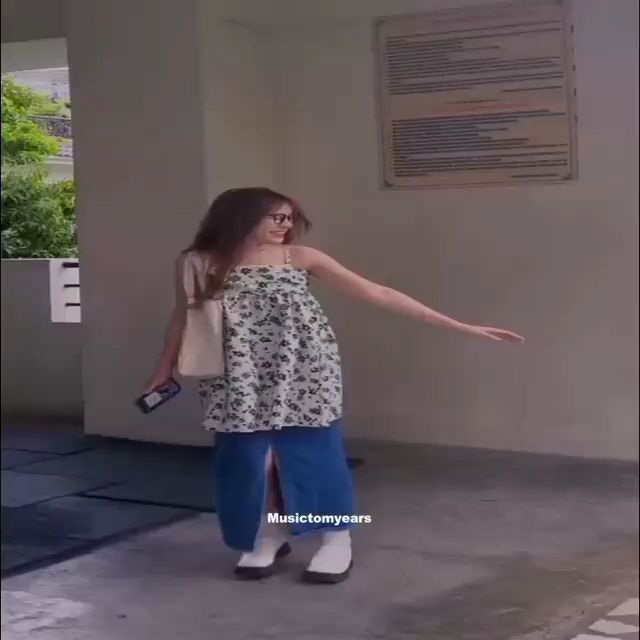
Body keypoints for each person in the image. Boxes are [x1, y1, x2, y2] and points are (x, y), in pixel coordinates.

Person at [143, 187, 524, 584]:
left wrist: (462, 327)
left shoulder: (300, 257)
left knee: (313, 451)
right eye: (277, 217)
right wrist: (163, 370)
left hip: (304, 368)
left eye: (291, 218)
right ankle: (267, 533)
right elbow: (182, 318)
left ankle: (336, 538)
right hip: (234, 374)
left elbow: (378, 292)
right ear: (242, 216)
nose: (286, 225)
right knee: (248, 457)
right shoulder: (196, 262)